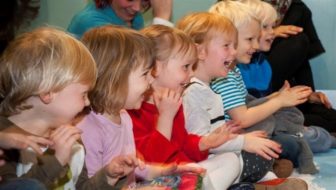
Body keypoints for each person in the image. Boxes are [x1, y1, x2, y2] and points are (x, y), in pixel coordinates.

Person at [177, 11, 308, 189]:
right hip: (199, 162)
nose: (233, 51)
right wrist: (243, 142)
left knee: (255, 154)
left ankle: (261, 182)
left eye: (234, 45)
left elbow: (216, 134)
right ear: (200, 52)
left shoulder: (206, 88)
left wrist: (241, 138)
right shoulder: (193, 92)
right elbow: (201, 144)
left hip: (214, 157)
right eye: (227, 46)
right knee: (234, 160)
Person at [0, 27, 143, 189]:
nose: (88, 102)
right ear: (49, 92)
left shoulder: (71, 137)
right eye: (83, 94)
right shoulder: (5, 140)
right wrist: (55, 160)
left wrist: (107, 177)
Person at [76, 25, 205, 189]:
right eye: (145, 74)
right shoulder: (90, 130)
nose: (151, 81)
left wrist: (163, 171)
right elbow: (93, 186)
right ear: (117, 78)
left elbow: (133, 168)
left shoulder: (123, 116)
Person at [128, 24, 246, 190]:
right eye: (186, 67)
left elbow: (182, 142)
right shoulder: (134, 110)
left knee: (230, 160)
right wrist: (165, 118)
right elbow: (152, 162)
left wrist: (205, 143)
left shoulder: (175, 99)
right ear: (156, 68)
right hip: (157, 180)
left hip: (183, 171)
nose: (191, 74)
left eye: (192, 67)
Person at [209, 0, 317, 176]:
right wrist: (279, 101)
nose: (255, 45)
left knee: (296, 136)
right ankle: (274, 164)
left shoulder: (233, 70)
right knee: (290, 143)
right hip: (237, 139)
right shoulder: (224, 77)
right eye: (250, 39)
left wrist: (276, 97)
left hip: (244, 134)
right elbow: (242, 119)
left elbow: (247, 103)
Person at [235, 0, 336, 154]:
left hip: (267, 118)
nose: (271, 31)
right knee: (301, 138)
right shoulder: (235, 70)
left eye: (273, 26)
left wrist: (291, 96)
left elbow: (261, 101)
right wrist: (280, 100)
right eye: (266, 27)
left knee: (321, 122)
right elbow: (245, 115)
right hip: (255, 126)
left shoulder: (263, 65)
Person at [262, 0, 336, 132]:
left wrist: (308, 94)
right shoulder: (237, 6)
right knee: (299, 40)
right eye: (264, 26)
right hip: (264, 93)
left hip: (286, 89)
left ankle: (302, 115)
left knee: (331, 117)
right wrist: (272, 33)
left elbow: (302, 58)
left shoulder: (297, 7)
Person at [68, 0, 173, 38]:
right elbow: (139, 62)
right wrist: (162, 17)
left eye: (144, 0)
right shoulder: (90, 22)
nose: (137, 8)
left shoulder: (136, 19)